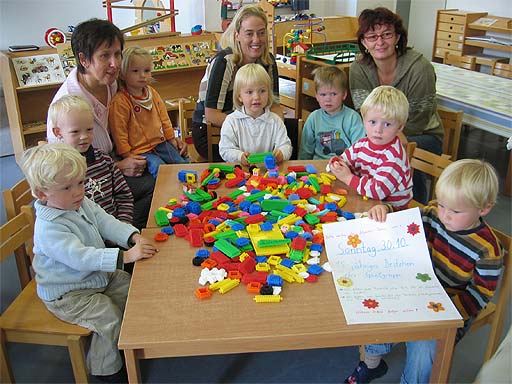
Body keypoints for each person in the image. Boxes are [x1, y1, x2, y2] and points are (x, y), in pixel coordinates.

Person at [346, 158, 502, 384]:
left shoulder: (487, 249)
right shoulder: (433, 214)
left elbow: (478, 297)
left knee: (426, 346)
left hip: (450, 308)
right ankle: (371, 364)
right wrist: (385, 209)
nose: (445, 214)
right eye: (442, 205)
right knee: (377, 309)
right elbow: (404, 216)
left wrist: (439, 312)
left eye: (455, 210)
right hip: (416, 288)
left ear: (484, 208)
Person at [19, 143, 158, 382]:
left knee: (133, 290)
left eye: (81, 183)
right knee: (108, 317)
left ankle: (126, 343)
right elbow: (81, 257)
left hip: (94, 278)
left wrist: (132, 236)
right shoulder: (49, 228)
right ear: (43, 194)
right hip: (68, 294)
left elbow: (105, 221)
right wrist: (124, 256)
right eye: (67, 187)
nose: (78, 192)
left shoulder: (77, 202)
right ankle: (107, 370)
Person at [46, 18, 153, 229]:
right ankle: (126, 239)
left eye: (117, 54)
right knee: (152, 187)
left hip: (112, 166)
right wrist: (118, 167)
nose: (115, 64)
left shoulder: (111, 84)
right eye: (105, 56)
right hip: (86, 187)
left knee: (163, 176)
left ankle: (129, 233)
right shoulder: (67, 107)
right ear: (84, 59)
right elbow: (65, 174)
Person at [349, 7, 444, 205]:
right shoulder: (358, 68)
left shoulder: (420, 68)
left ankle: (412, 208)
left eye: (387, 34)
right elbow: (363, 111)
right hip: (381, 130)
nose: (380, 42)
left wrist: (391, 136)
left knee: (401, 151)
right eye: (372, 36)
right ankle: (370, 200)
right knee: (365, 149)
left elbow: (420, 117)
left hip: (422, 133)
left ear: (398, 37)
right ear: (364, 42)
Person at [192, 3, 283, 161]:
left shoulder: (268, 61)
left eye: (261, 33)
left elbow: (274, 105)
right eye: (249, 34)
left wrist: (276, 129)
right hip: (212, 130)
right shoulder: (224, 62)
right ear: (237, 35)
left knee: (289, 136)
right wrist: (248, 129)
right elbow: (212, 114)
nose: (256, 39)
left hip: (254, 127)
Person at [49, 94, 134, 224]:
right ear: (58, 132)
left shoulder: (104, 160)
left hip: (115, 230)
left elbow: (123, 195)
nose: (84, 137)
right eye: (75, 132)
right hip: (82, 237)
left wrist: (123, 225)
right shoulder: (57, 170)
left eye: (89, 130)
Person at [109, 46, 189, 179]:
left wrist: (171, 139)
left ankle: (189, 187)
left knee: (181, 162)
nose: (142, 75)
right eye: (135, 71)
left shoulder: (152, 93)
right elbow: (119, 131)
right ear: (122, 74)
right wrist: (126, 154)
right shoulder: (120, 101)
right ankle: (166, 193)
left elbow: (164, 118)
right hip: (139, 151)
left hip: (160, 143)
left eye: (146, 71)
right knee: (159, 167)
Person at [328, 85, 412, 210]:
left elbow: (377, 191)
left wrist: (347, 177)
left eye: (387, 124)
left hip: (391, 212)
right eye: (373, 122)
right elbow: (345, 159)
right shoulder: (362, 144)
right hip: (365, 200)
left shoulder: (394, 157)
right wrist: (337, 164)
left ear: (399, 127)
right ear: (364, 120)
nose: (378, 130)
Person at [219, 63, 292, 166]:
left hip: (269, 171)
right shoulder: (231, 121)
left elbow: (285, 145)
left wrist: (281, 153)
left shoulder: (275, 120)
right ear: (239, 96)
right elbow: (225, 149)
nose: (256, 97)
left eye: (262, 91)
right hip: (242, 171)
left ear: (269, 93)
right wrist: (239, 156)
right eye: (249, 92)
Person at [298, 66, 365, 160]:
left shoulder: (353, 118)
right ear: (316, 96)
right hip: (317, 167)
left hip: (345, 165)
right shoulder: (313, 118)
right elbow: (305, 151)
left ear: (344, 94)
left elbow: (359, 150)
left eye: (333, 94)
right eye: (323, 94)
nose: (328, 99)